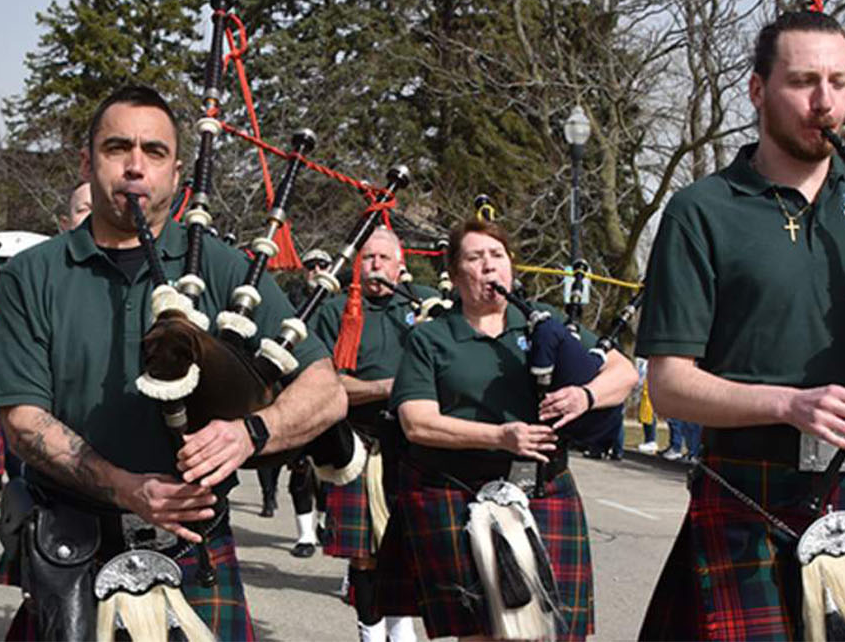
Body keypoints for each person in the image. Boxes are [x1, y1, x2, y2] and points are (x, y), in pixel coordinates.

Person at [637, 10, 845, 639]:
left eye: (840, 82)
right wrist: (789, 403)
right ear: (758, 89)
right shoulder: (701, 211)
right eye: (804, 82)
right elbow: (670, 385)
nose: (826, 103)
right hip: (745, 490)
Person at [0, 84, 347, 639]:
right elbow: (23, 420)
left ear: (176, 174)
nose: (135, 167)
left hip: (196, 549)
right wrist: (126, 487)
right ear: (87, 162)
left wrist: (252, 431)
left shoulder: (227, 269)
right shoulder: (33, 275)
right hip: (71, 547)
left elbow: (326, 389)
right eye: (116, 148)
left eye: (154, 152)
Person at [380, 218, 636, 641]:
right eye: (475, 258)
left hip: (543, 489)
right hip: (456, 491)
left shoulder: (544, 325)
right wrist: (500, 436)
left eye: (497, 256)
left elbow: (623, 373)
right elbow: (416, 422)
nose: (488, 267)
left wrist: (585, 396)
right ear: (456, 273)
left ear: (512, 268)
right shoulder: (432, 339)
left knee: (556, 631)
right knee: (480, 633)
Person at [308, 226, 432, 642]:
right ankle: (370, 635)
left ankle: (402, 633)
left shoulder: (422, 309)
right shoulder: (335, 310)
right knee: (363, 557)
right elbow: (326, 384)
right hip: (358, 444)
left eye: (383, 259)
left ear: (401, 266)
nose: (375, 265)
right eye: (368, 259)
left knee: (406, 551)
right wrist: (388, 388)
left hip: (412, 445)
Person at [255, 247, 333, 556]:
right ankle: (305, 536)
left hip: (336, 387)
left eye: (322, 264)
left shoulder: (346, 302)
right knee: (300, 469)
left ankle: (326, 523)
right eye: (310, 264)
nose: (315, 269)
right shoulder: (290, 298)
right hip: (297, 382)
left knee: (333, 468)